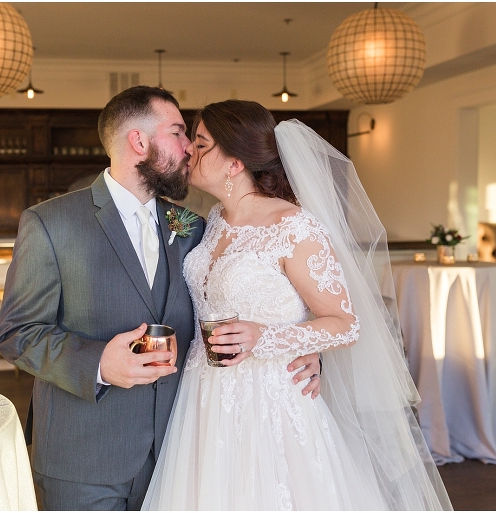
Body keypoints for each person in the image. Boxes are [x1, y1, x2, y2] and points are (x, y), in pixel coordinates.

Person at [0, 86, 322, 511]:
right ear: (139, 142)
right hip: (85, 458)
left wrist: (303, 346)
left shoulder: (197, 228)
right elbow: (17, 332)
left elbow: (258, 298)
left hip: (180, 452)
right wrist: (98, 364)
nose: (190, 148)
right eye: (178, 132)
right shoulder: (51, 223)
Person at [142, 100, 453, 510]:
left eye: (200, 144)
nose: (188, 152)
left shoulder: (294, 226)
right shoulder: (213, 219)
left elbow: (345, 323)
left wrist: (266, 337)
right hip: (202, 398)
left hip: (269, 404)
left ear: (234, 162)